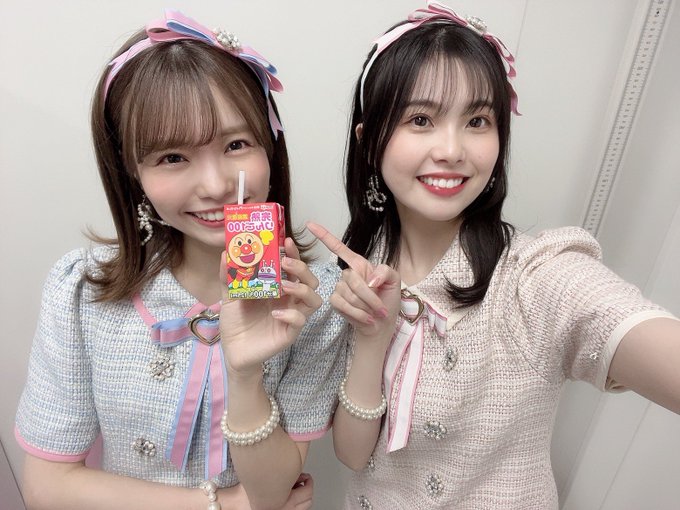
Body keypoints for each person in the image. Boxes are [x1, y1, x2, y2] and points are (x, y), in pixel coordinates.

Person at [307, 1, 680, 508]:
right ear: (369, 141)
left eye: (478, 120)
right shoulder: (354, 274)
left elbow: (616, 319)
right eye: (421, 119)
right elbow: (353, 457)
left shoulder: (534, 275)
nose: (452, 149)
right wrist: (373, 339)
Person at [15, 10, 346, 510]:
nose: (215, 185)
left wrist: (244, 373)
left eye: (236, 144)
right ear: (132, 171)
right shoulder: (80, 291)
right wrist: (224, 505)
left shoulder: (311, 302)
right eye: (173, 157)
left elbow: (271, 490)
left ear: (269, 147)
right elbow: (47, 487)